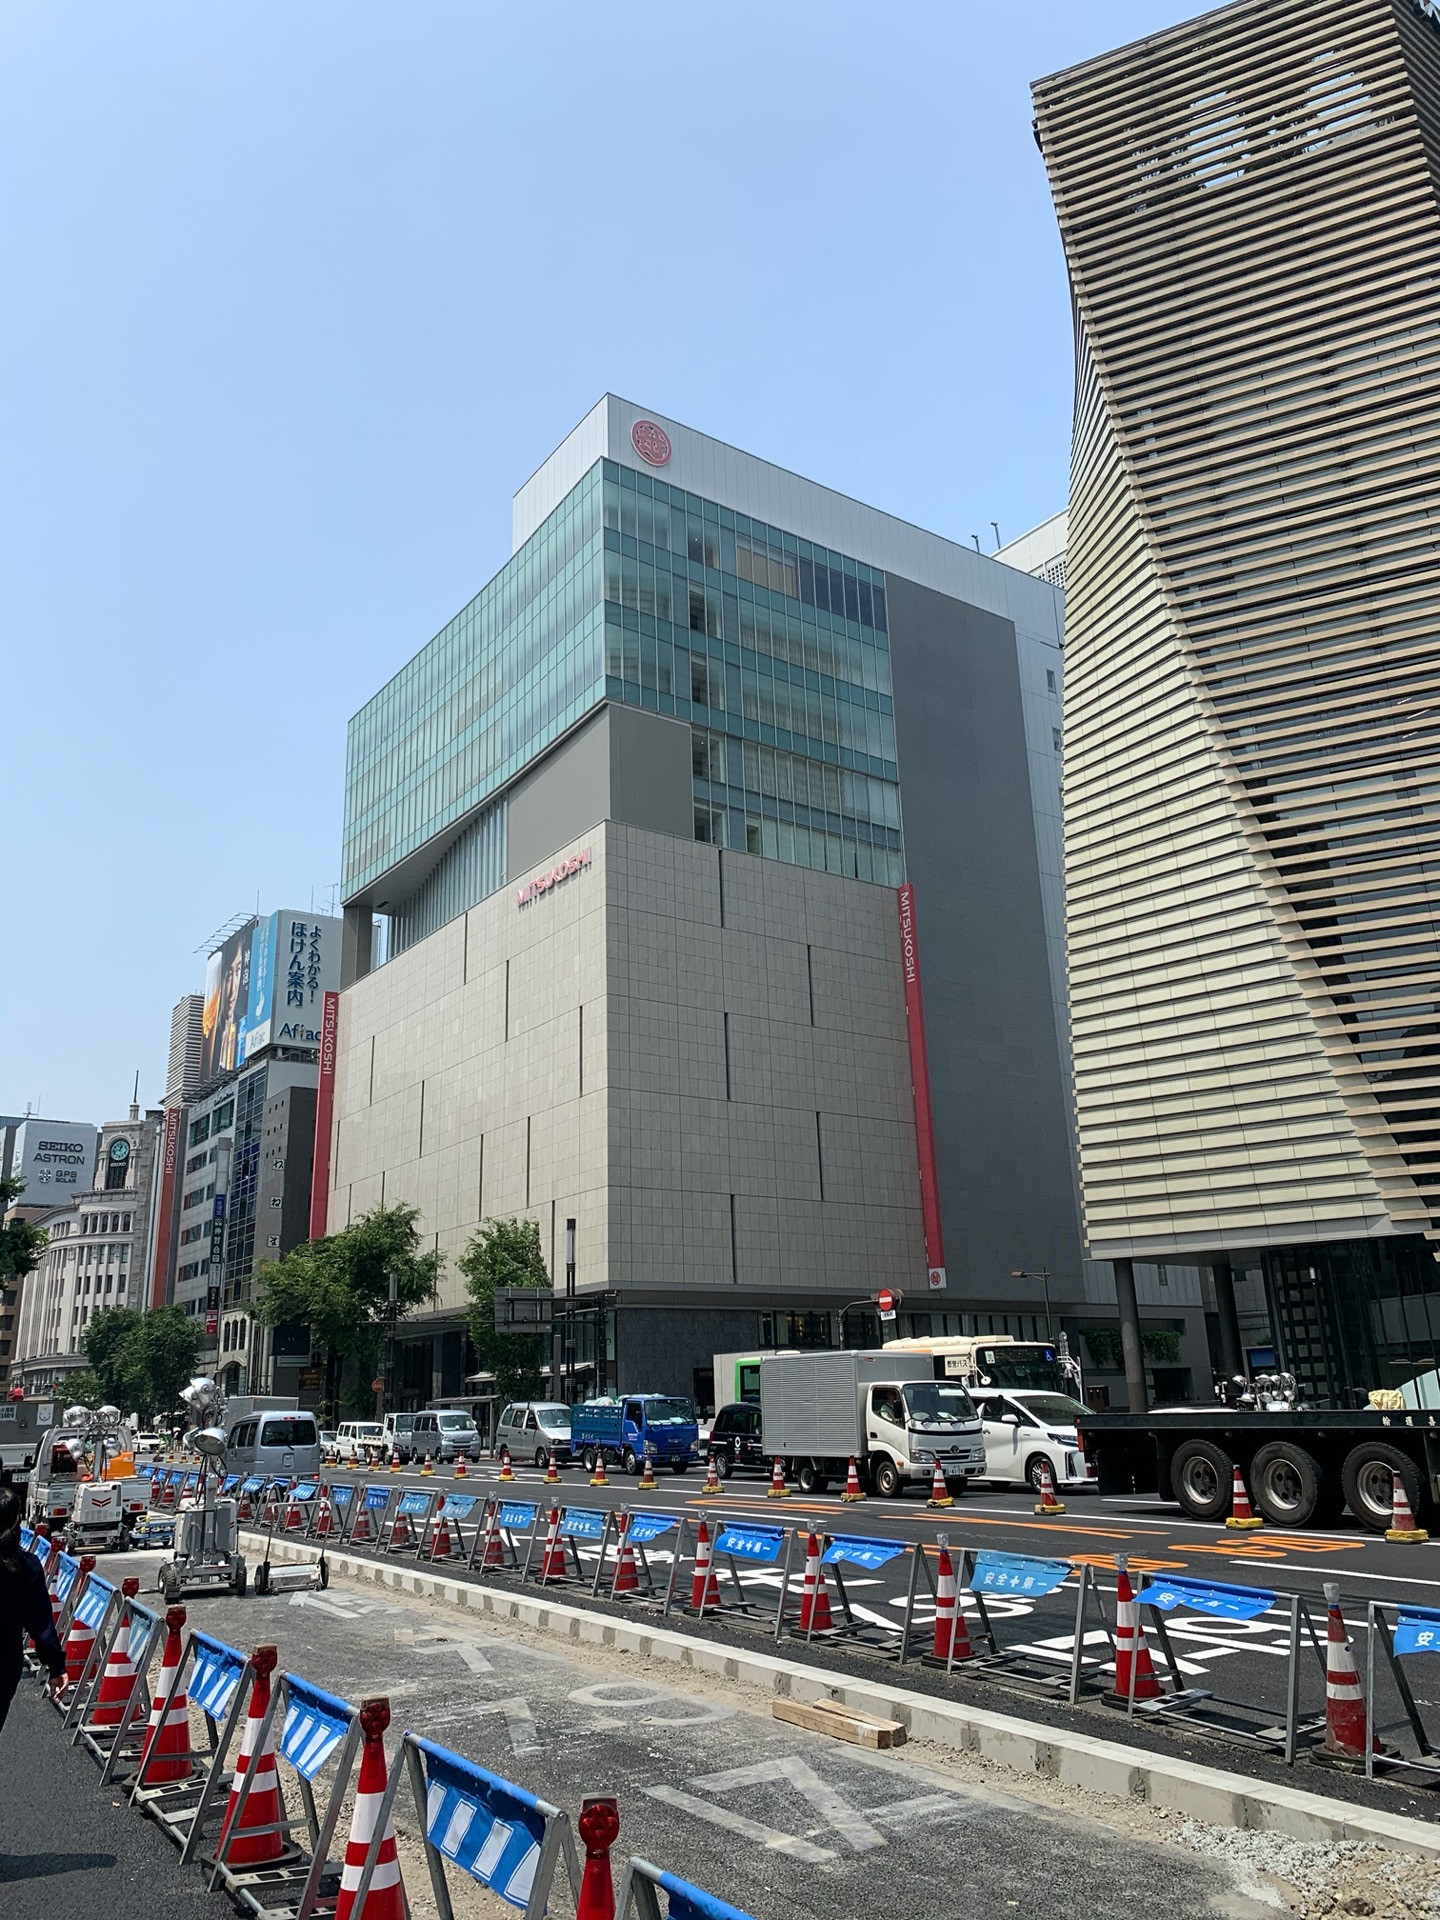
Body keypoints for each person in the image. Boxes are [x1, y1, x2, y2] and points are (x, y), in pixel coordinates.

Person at [0, 1486, 66, 1732]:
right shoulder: (26, 1566)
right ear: (17, 1520)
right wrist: (56, 1666)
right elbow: (41, 1624)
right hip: (5, 1663)